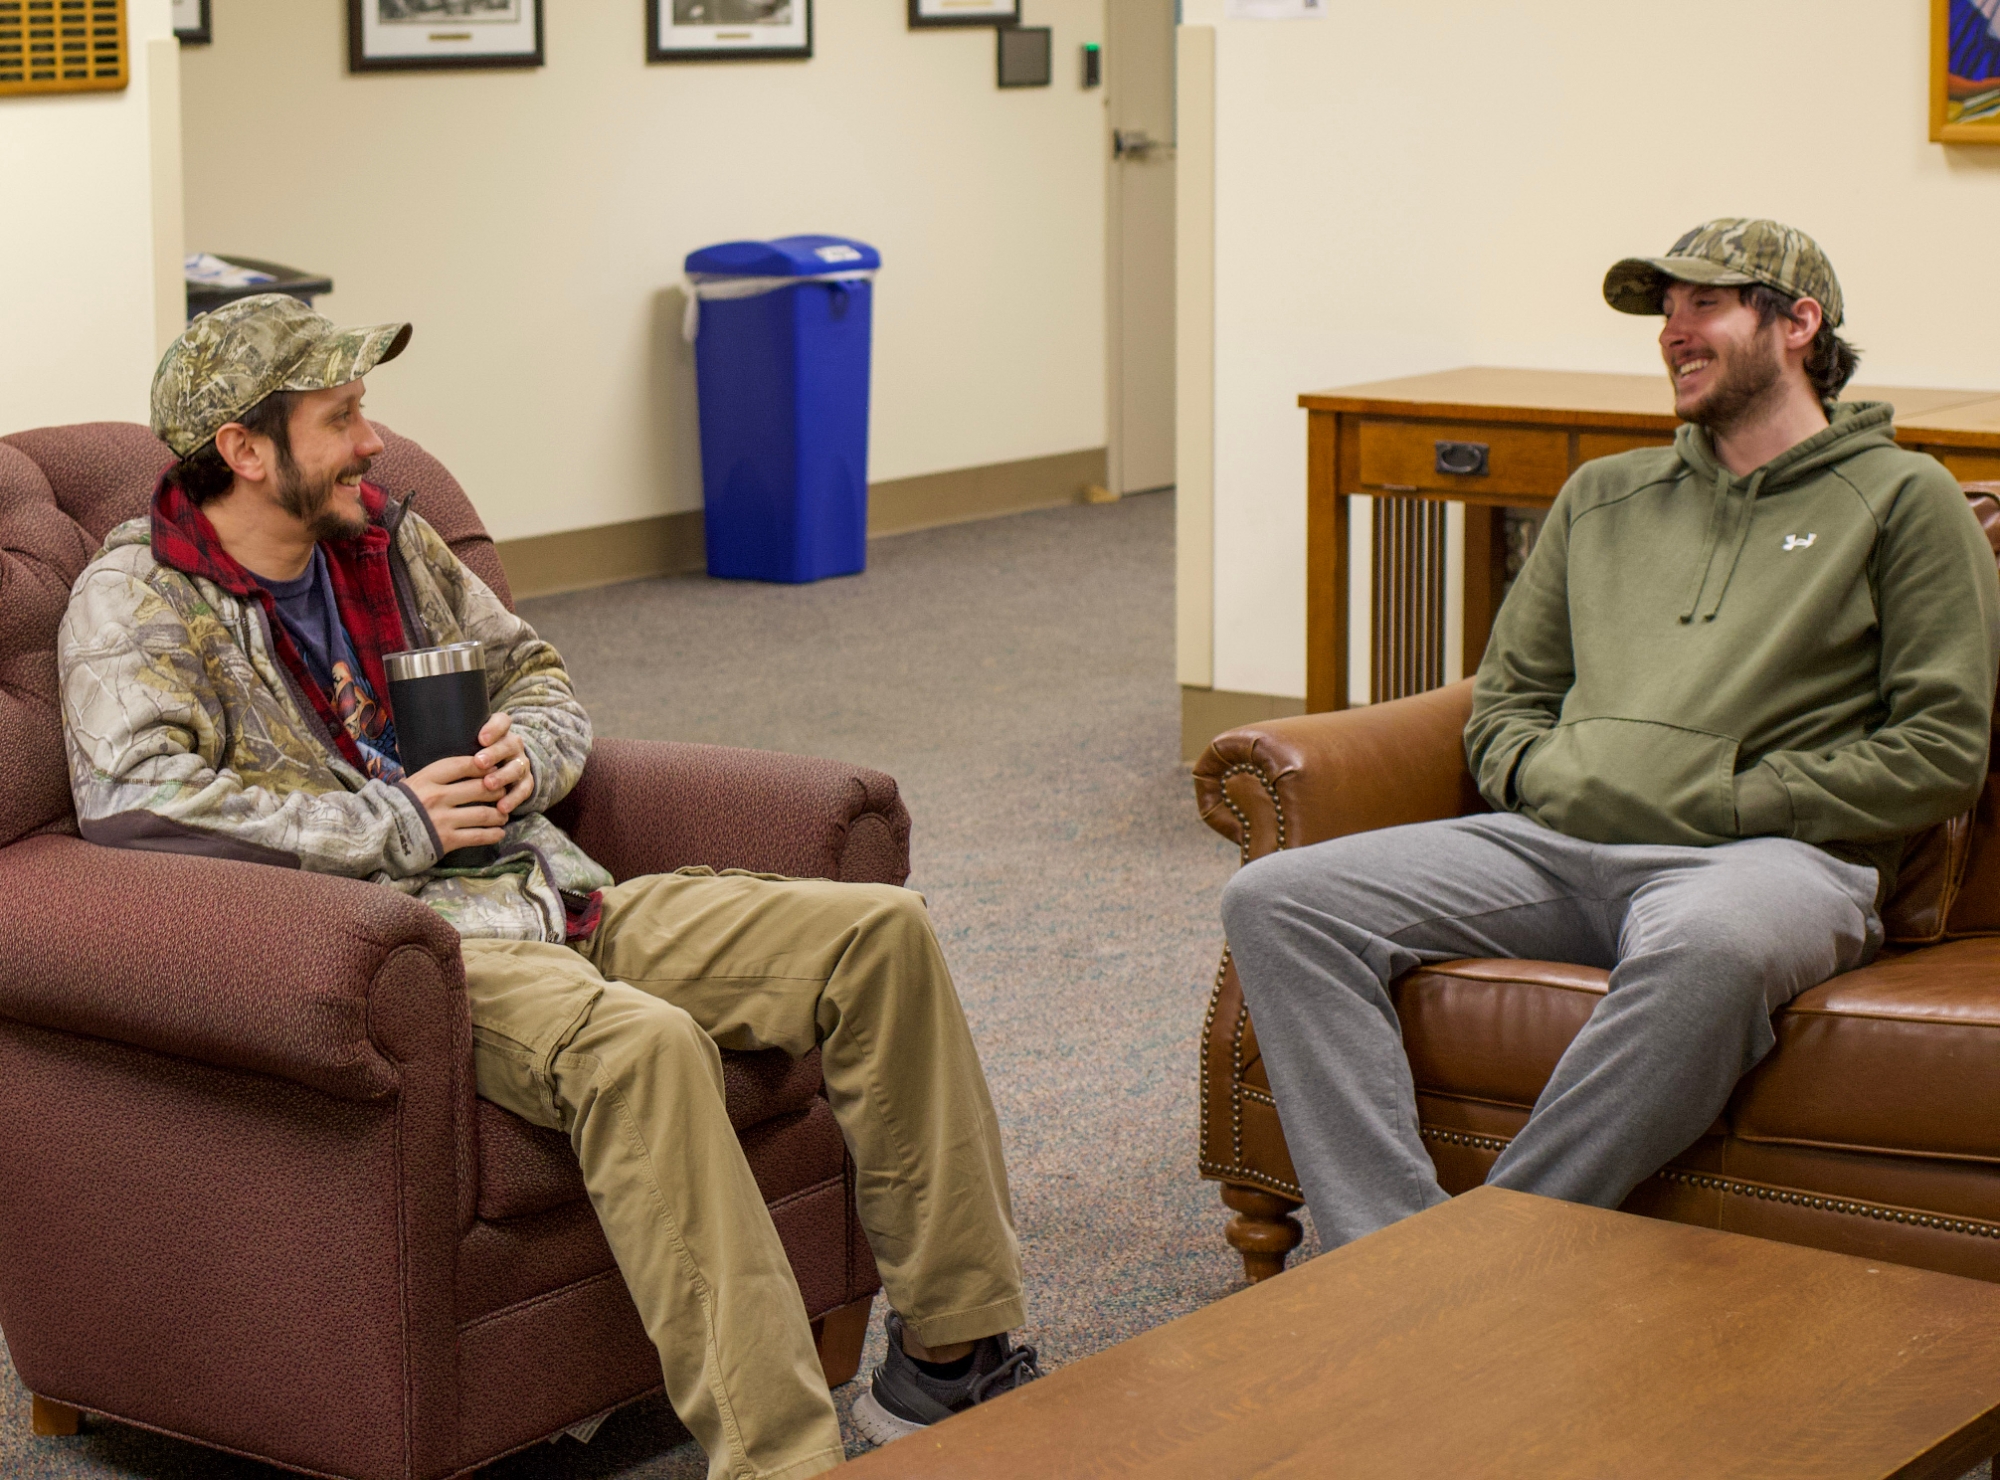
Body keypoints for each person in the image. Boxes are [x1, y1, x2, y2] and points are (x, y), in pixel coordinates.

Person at [57, 293, 1037, 1479]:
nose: (374, 441)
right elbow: (139, 808)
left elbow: (538, 673)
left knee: (875, 934)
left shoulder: (388, 540)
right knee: (643, 1045)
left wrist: (532, 744)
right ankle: (782, 1458)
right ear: (246, 451)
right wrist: (390, 821)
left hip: (556, 888)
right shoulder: (137, 602)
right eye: (341, 416)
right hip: (427, 950)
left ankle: (951, 1361)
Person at [1221, 219, 2000, 1251]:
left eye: (1704, 304)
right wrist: (1565, 777)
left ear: (1796, 323)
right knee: (1276, 899)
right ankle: (1385, 1253)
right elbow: (1502, 707)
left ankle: (1502, 1248)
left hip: (1771, 864)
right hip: (1558, 842)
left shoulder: (1905, 500)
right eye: (1663, 310)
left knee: (1709, 949)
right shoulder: (1602, 496)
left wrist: (1715, 798)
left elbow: (1936, 752)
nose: (1673, 331)